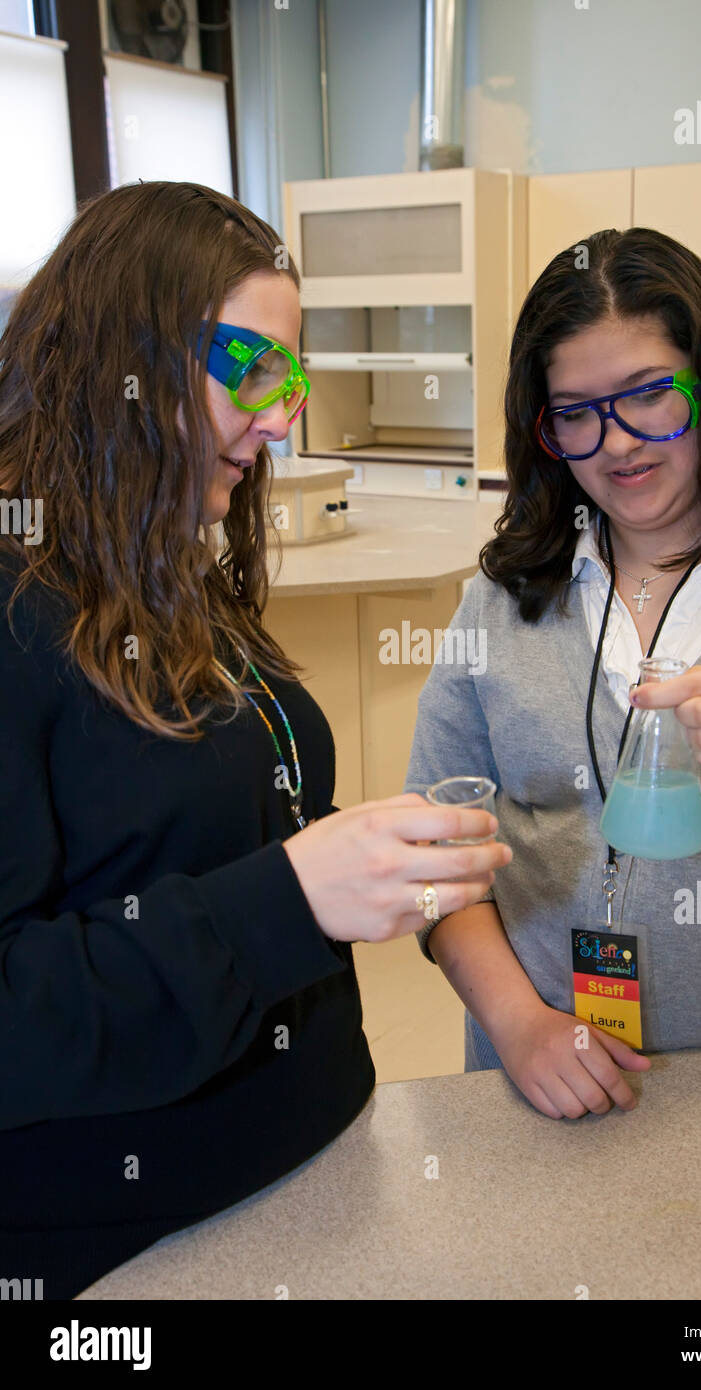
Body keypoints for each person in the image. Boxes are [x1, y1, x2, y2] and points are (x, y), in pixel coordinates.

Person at [0, 181, 512, 1299]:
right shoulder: (13, 601)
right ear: (122, 349)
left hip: (301, 1189)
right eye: (254, 369)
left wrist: (348, 856)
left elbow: (178, 847)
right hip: (128, 1256)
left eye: (294, 379)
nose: (283, 420)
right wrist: (295, 894)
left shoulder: (155, 561)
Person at [405, 227, 701, 1123]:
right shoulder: (502, 599)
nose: (616, 444)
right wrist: (519, 1027)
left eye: (649, 395)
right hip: (547, 1092)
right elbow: (435, 853)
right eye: (575, 412)